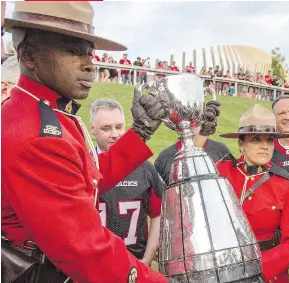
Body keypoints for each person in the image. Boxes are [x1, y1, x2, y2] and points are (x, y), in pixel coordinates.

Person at [1, 2, 168, 282]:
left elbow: (84, 182)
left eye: (89, 52)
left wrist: (139, 134)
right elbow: (88, 252)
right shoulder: (36, 134)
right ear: (28, 56)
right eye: (73, 51)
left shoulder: (41, 112)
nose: (90, 65)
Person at [216, 104, 289, 283]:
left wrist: (255, 269)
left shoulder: (285, 184)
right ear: (241, 143)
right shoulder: (221, 172)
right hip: (221, 270)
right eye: (257, 139)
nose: (265, 146)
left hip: (266, 275)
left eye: (269, 140)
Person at [90, 98, 165, 265]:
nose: (115, 134)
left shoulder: (145, 168)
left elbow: (159, 214)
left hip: (134, 264)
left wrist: (146, 259)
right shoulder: (83, 165)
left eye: (119, 127)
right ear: (92, 129)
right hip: (93, 266)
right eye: (106, 128)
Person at [155, 100, 231, 184]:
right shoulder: (164, 157)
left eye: (195, 117)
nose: (190, 123)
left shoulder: (220, 151)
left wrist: (203, 135)